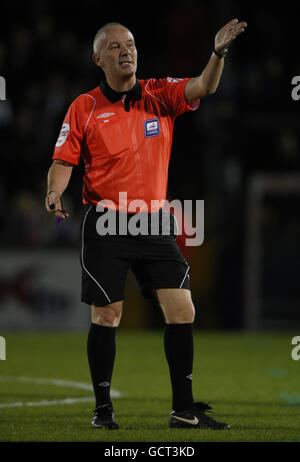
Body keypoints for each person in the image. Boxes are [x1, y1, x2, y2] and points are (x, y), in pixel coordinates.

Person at [45, 19, 247, 430]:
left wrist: (217, 54)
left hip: (153, 222)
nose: (126, 51)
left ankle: (183, 410)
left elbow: (203, 87)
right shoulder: (84, 106)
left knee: (182, 308)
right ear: (98, 59)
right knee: (107, 316)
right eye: (116, 46)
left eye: (131, 44)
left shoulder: (159, 93)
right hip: (106, 221)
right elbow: (63, 160)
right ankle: (103, 411)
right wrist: (54, 192)